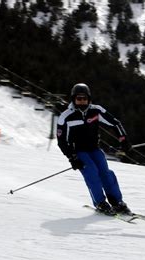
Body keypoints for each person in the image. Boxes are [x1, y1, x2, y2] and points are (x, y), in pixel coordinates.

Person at [56, 83, 133, 215]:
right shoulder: (66, 117)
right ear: (73, 99)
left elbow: (115, 123)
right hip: (79, 151)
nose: (82, 101)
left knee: (106, 173)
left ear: (89, 99)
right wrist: (72, 158)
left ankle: (117, 202)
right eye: (78, 98)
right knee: (92, 173)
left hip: (95, 149)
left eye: (84, 98)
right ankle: (100, 203)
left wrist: (123, 139)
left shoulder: (96, 111)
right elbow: (62, 141)